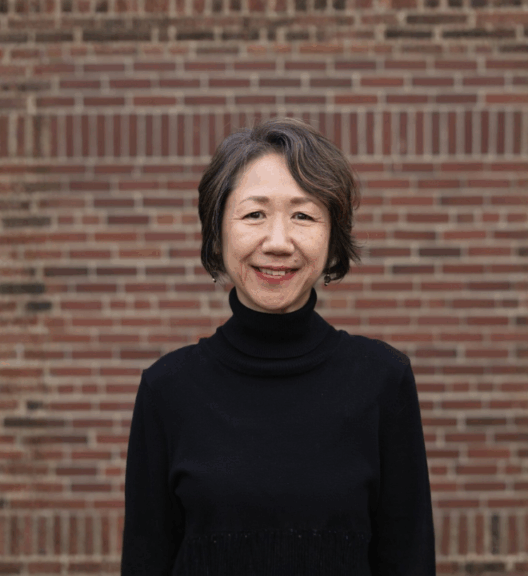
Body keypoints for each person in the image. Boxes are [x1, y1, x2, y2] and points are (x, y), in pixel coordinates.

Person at [120, 118, 436, 575]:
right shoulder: (167, 389)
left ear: (332, 241)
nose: (278, 242)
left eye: (303, 215)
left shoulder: (382, 381)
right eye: (254, 214)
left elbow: (408, 560)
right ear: (218, 233)